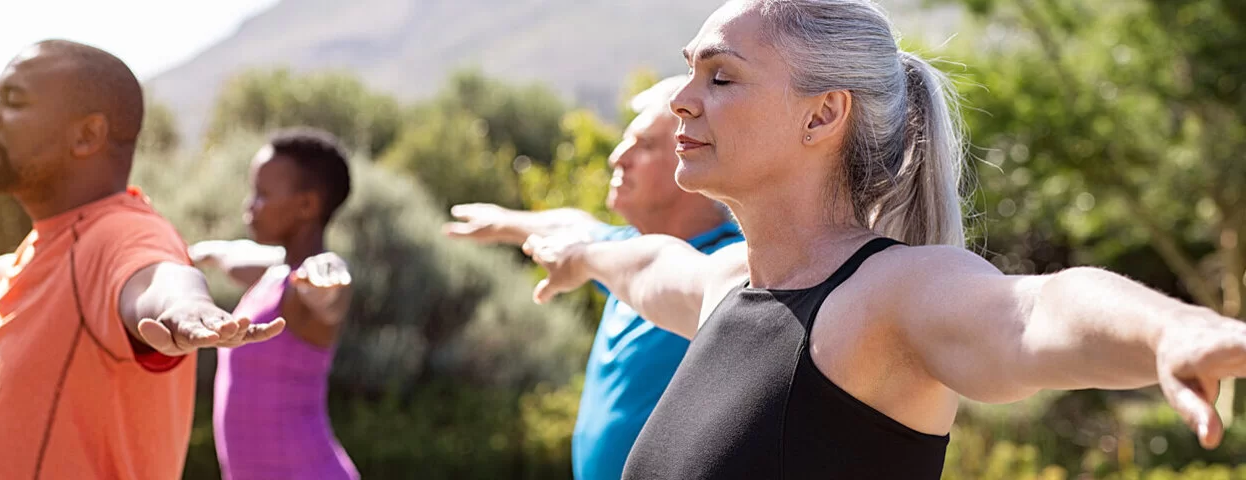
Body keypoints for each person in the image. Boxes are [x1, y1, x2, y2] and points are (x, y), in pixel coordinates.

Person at [521, 1, 1246, 478]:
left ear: (821, 115)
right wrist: (575, 246)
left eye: (721, 76)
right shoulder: (729, 285)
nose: (681, 98)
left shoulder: (885, 299)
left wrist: (1172, 329)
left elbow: (1035, 311)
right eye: (690, 71)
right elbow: (641, 263)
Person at [0, 40, 284, 480]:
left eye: (13, 101)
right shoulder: (52, 245)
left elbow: (159, 278)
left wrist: (187, 310)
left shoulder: (122, 233)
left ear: (86, 136)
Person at [444, 76, 744, 480]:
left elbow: (648, 265)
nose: (618, 157)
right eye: (626, 140)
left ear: (696, 158)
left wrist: (583, 257)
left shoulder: (726, 270)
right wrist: (505, 223)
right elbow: (571, 225)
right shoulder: (619, 251)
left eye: (646, 145)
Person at [190, 128, 359, 480]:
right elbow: (233, 254)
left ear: (307, 206)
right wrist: (196, 252)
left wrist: (328, 283)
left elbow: (332, 294)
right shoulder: (274, 272)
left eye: (262, 195)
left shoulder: (305, 287)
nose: (250, 205)